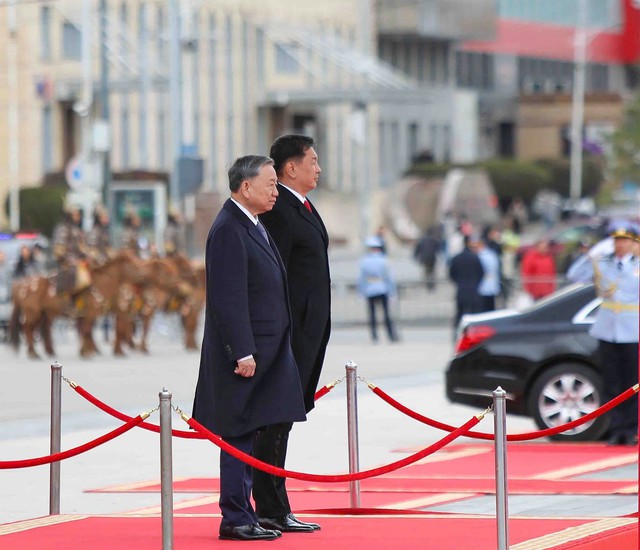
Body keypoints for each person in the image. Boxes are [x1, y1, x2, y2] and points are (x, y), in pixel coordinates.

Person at [191, 155, 306, 541]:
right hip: (246, 357)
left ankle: (252, 513)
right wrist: (241, 351)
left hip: (269, 352)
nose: (276, 191)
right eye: (271, 183)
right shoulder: (228, 228)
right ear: (245, 187)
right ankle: (236, 517)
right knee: (238, 435)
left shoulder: (252, 223)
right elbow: (228, 298)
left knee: (254, 433)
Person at [255, 134, 329, 533]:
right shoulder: (278, 209)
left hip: (308, 331)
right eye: (312, 161)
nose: (318, 168)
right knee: (275, 419)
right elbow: (273, 274)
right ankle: (269, 507)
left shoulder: (301, 205)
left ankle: (277, 507)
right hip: (290, 332)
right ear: (290, 168)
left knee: (284, 419)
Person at [567, 226, 639, 446]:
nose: (620, 245)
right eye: (616, 241)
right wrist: (591, 256)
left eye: (625, 241)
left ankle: (630, 429)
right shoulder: (603, 263)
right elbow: (574, 276)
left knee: (631, 383)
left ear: (634, 243)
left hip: (632, 330)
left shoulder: (637, 265)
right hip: (607, 329)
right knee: (611, 383)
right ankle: (615, 428)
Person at [358, 236, 398, 343]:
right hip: (382, 288)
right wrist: (392, 291)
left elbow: (362, 278)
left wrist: (361, 291)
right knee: (386, 314)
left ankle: (374, 335)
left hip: (370, 289)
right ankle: (391, 335)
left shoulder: (364, 261)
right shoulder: (384, 260)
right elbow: (389, 277)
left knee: (372, 314)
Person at [449, 234, 484, 329]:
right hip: (473, 290)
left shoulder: (456, 258)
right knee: (475, 316)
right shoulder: (475, 258)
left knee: (460, 315)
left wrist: (459, 282)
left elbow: (451, 274)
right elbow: (481, 273)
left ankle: (456, 335)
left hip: (461, 290)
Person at [476, 238, 501, 312]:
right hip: (492, 285)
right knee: (491, 308)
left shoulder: (480, 256)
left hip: (482, 286)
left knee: (483, 309)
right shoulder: (492, 255)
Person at [413, 226, 440, 292]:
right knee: (432, 272)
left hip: (425, 258)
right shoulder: (434, 240)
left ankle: (428, 285)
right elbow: (438, 248)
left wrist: (416, 256)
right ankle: (432, 285)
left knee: (427, 272)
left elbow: (418, 249)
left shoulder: (422, 240)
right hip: (432, 258)